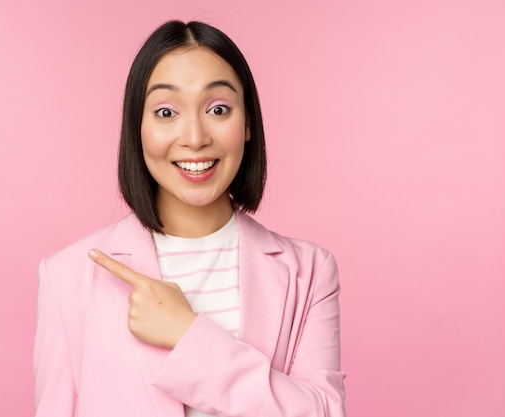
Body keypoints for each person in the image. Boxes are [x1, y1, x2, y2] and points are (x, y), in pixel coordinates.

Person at [34, 20, 346, 417]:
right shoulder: (67, 277)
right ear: (138, 129)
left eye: (218, 109)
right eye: (166, 112)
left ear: (248, 123)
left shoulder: (311, 271)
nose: (195, 137)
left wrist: (188, 335)